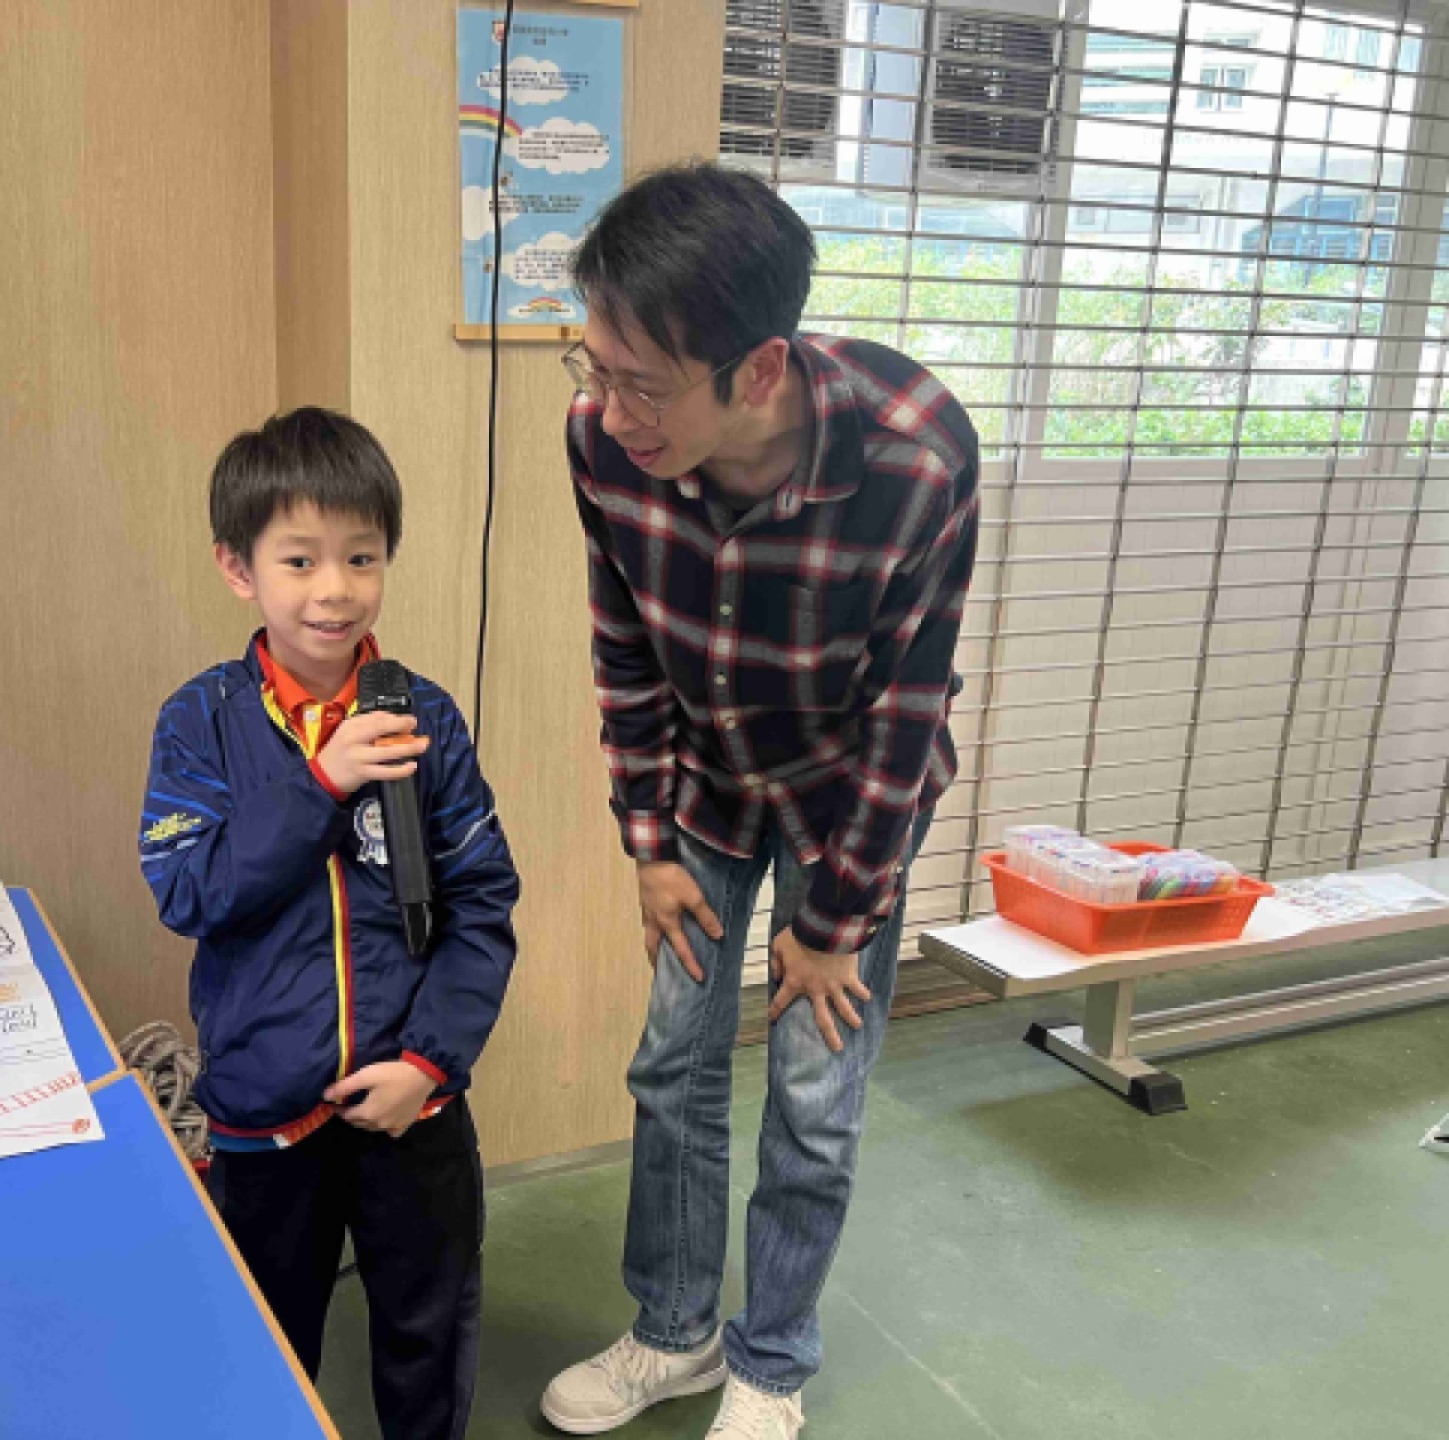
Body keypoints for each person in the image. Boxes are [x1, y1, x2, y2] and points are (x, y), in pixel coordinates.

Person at [541, 163, 979, 1439]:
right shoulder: (602, 444)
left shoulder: (914, 454)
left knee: (813, 1091)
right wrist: (647, 840)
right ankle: (673, 1330)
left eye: (643, 384)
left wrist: (833, 923)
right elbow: (624, 644)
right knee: (672, 1060)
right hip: (703, 788)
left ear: (762, 369)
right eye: (595, 367)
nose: (610, 409)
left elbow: (907, 707)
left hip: (850, 802)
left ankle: (771, 1363)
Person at [140, 407, 520, 1440]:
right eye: (299, 559)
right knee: (268, 1343)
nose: (335, 589)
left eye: (361, 556)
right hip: (264, 1113)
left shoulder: (425, 718)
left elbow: (483, 903)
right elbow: (189, 890)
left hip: (413, 1106)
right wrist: (320, 784)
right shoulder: (200, 721)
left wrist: (429, 1064)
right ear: (238, 568)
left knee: (426, 1334)